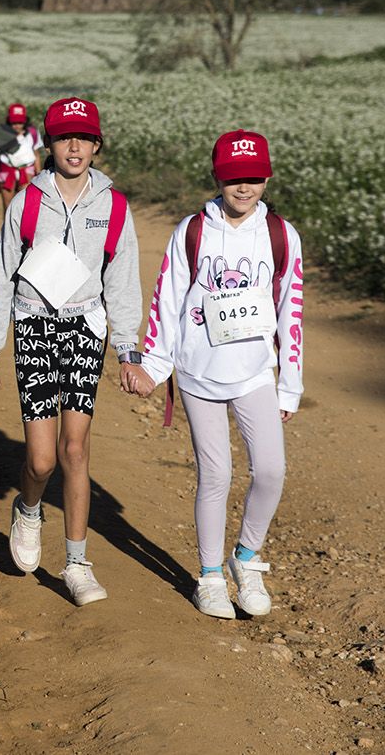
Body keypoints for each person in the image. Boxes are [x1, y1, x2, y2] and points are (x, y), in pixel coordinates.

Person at [0, 97, 146, 606]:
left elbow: (123, 279)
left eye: (84, 138)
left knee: (75, 450)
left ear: (96, 145)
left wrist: (128, 351)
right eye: (66, 137)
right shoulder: (26, 202)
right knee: (42, 461)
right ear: (50, 143)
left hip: (85, 329)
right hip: (34, 326)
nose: (75, 147)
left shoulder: (113, 205)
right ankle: (28, 508)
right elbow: (3, 275)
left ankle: (76, 562)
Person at [137, 130, 303, 621]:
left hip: (255, 372)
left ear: (267, 177)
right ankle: (210, 576)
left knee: (271, 470)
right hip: (198, 372)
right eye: (234, 178)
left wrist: (290, 381)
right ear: (218, 177)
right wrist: (154, 364)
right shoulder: (192, 230)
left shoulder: (280, 234)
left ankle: (245, 560)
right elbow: (167, 297)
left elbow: (291, 308)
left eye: (253, 178)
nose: (244, 187)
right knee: (217, 475)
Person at [0, 103, 43, 209]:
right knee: (8, 208)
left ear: (25, 121)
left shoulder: (32, 133)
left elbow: (36, 154)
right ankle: (8, 226)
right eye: (14, 122)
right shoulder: (1, 134)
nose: (17, 125)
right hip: (6, 171)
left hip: (27, 171)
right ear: (9, 121)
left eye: (20, 122)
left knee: (24, 207)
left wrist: (39, 174)